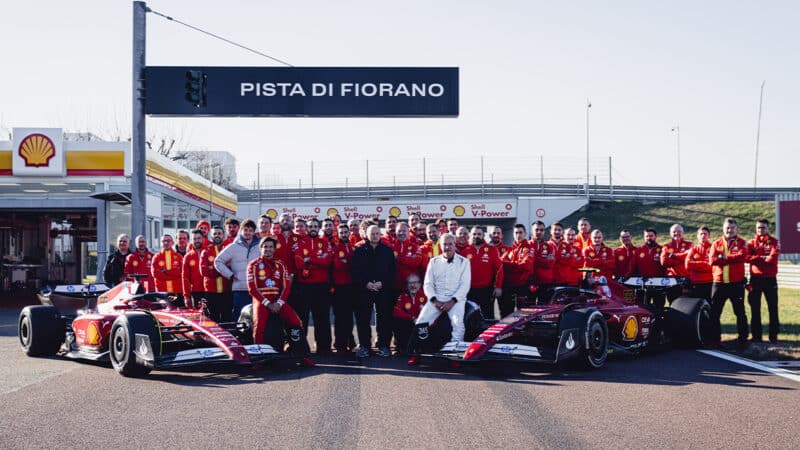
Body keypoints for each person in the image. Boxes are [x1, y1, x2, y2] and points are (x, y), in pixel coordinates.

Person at [246, 236, 314, 367]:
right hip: (262, 300)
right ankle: (258, 359)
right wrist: (267, 303)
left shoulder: (281, 264)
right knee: (259, 326)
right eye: (265, 247)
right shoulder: (253, 264)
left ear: (274, 248)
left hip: (278, 300)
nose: (268, 249)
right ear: (260, 248)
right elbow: (252, 288)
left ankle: (302, 353)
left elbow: (286, 287)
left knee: (296, 321)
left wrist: (279, 303)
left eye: (271, 247)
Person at [408, 233, 471, 366]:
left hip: (456, 299)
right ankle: (416, 353)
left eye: (450, 244)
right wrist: (434, 300)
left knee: (458, 324)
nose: (447, 247)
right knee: (421, 322)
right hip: (436, 298)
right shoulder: (433, 261)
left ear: (455, 245)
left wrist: (452, 301)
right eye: (444, 244)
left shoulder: (464, 262)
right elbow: (428, 284)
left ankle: (455, 355)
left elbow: (465, 285)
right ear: (440, 246)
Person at [351, 224, 397, 358]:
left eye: (377, 233)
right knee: (363, 319)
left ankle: (383, 346)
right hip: (365, 290)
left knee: (384, 318)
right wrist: (366, 283)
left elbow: (392, 271)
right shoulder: (359, 251)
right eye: (372, 233)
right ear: (366, 235)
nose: (375, 236)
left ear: (380, 235)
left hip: (383, 289)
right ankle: (365, 346)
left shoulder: (387, 251)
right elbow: (354, 271)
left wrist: (383, 283)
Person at [292, 218, 333, 355]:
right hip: (304, 286)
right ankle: (302, 348)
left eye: (316, 226)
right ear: (306, 228)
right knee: (302, 318)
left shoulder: (325, 243)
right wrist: (318, 261)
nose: (313, 228)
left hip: (321, 287)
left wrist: (310, 259)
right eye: (310, 226)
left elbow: (328, 262)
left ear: (319, 228)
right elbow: (298, 264)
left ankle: (324, 348)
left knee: (322, 318)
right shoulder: (299, 243)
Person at [708, 218, 750, 349]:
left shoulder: (742, 242)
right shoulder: (716, 243)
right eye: (727, 228)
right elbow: (712, 260)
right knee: (715, 313)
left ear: (736, 229)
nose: (729, 230)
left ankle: (743, 340)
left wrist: (725, 257)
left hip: (736, 284)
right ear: (723, 228)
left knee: (740, 313)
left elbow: (743, 256)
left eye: (732, 228)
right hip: (719, 283)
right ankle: (715, 340)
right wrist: (732, 258)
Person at [214, 219, 260, 320]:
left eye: (250, 230)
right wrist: (230, 274)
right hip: (240, 289)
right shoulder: (234, 247)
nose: (248, 233)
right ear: (241, 231)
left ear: (254, 232)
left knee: (256, 317)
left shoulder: (259, 247)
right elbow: (218, 261)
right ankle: (237, 336)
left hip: (257, 289)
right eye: (245, 230)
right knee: (239, 317)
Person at [747, 219, 781, 343]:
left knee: (773, 308)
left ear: (768, 229)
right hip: (755, 279)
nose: (760, 230)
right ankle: (756, 336)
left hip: (770, 279)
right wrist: (762, 258)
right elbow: (746, 257)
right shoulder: (751, 243)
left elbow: (771, 259)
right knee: (754, 308)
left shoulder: (774, 242)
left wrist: (755, 258)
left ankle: (774, 336)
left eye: (763, 227)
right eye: (758, 228)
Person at [464, 226, 503, 319]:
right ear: (470, 235)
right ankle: (473, 334)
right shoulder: (465, 251)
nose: (476, 236)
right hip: (470, 291)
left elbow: (499, 269)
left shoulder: (492, 250)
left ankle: (489, 333)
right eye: (474, 234)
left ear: (483, 235)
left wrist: (498, 287)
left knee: (488, 316)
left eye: (479, 234)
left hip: (486, 290)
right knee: (471, 316)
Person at [331, 224, 357, 354]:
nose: (344, 234)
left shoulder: (353, 247)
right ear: (338, 234)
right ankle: (339, 344)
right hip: (339, 287)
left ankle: (350, 341)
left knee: (349, 317)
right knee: (340, 317)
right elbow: (338, 264)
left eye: (345, 232)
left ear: (349, 233)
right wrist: (347, 262)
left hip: (351, 287)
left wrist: (347, 262)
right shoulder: (335, 248)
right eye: (341, 233)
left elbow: (354, 264)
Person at [499, 224, 534, 317]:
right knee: (506, 313)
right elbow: (500, 263)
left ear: (525, 234)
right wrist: (515, 265)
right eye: (516, 233)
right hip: (510, 286)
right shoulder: (511, 249)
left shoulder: (529, 248)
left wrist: (508, 264)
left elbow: (525, 265)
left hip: (522, 286)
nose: (518, 235)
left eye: (520, 232)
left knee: (523, 315)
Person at [200, 226, 232, 323]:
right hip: (211, 292)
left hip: (226, 291)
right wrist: (223, 270)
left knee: (227, 317)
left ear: (224, 235)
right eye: (214, 234)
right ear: (211, 236)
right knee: (213, 318)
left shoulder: (229, 251)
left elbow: (232, 268)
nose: (217, 236)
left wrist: (213, 268)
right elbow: (204, 271)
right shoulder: (205, 252)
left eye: (219, 233)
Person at [393, 274, 427, 355]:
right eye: (410, 283)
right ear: (407, 285)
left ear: (420, 284)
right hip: (410, 323)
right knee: (398, 321)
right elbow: (396, 311)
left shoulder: (426, 296)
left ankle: (423, 348)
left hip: (423, 325)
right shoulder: (403, 296)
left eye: (415, 282)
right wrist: (412, 318)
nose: (413, 285)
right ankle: (403, 347)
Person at [633, 228, 666, 308]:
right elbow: (633, 267)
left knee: (659, 307)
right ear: (644, 237)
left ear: (655, 236)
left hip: (659, 284)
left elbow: (666, 266)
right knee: (642, 307)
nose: (649, 238)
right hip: (643, 285)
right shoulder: (639, 250)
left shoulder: (662, 249)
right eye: (647, 236)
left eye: (651, 236)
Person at [661, 224, 693, 302]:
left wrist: (673, 256)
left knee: (687, 304)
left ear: (683, 233)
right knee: (673, 304)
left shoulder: (689, 245)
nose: (676, 233)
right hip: (671, 280)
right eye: (674, 232)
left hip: (686, 280)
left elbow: (688, 257)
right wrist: (681, 259)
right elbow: (664, 262)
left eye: (679, 231)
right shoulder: (666, 246)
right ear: (670, 234)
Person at [393, 222, 424, 298]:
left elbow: (416, 262)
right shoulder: (391, 246)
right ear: (396, 232)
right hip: (394, 287)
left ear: (408, 232)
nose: (401, 233)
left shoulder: (415, 247)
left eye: (404, 231)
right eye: (399, 231)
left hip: (411, 287)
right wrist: (408, 258)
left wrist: (399, 258)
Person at [151, 234, 183, 300]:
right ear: (161, 243)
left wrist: (166, 272)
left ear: (172, 242)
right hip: (162, 292)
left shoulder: (179, 256)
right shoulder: (156, 257)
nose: (166, 243)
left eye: (168, 241)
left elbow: (181, 272)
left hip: (177, 291)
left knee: (179, 310)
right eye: (164, 241)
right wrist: (173, 276)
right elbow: (155, 274)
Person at [530, 220, 556, 303]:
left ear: (544, 231)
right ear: (532, 231)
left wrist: (535, 259)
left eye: (541, 230)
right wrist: (544, 260)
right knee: (529, 308)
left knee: (544, 309)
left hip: (546, 282)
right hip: (530, 282)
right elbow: (529, 262)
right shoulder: (527, 245)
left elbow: (550, 264)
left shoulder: (549, 246)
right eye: (536, 230)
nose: (539, 232)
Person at [685, 226, 713, 300]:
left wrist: (696, 265)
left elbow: (714, 266)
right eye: (701, 234)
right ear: (697, 236)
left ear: (709, 236)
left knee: (711, 306)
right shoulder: (693, 249)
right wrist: (704, 264)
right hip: (696, 283)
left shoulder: (713, 248)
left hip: (710, 282)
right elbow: (688, 265)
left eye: (705, 234)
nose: (703, 236)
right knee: (697, 306)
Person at [551, 222, 582, 287]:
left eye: (573, 235)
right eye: (568, 235)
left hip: (574, 281)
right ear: (564, 235)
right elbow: (554, 261)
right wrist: (566, 259)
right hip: (559, 280)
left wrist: (563, 260)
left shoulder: (578, 249)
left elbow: (580, 264)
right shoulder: (557, 246)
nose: (570, 237)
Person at [181, 229, 206, 308]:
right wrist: (186, 296)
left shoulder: (209, 252)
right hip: (196, 292)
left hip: (209, 290)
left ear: (203, 239)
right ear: (191, 240)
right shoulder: (188, 256)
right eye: (194, 239)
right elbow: (185, 277)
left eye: (199, 238)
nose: (197, 241)